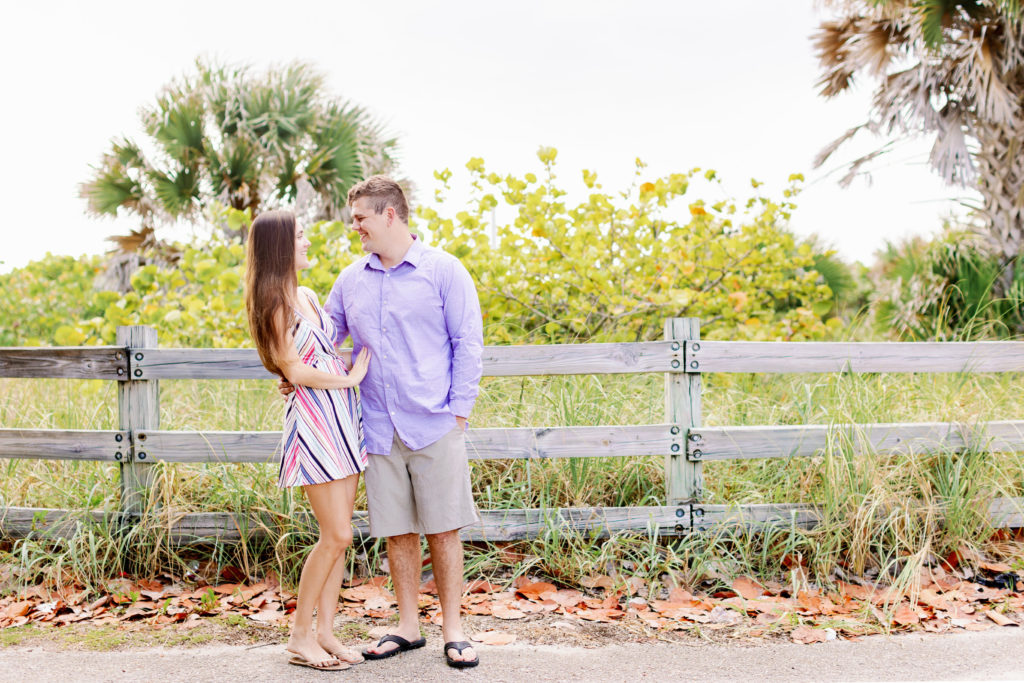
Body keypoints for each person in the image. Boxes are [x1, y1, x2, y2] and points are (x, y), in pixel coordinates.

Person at [280, 175, 484, 668]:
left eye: (361, 219)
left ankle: (454, 630)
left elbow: (468, 344)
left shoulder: (444, 271)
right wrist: (292, 373)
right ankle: (408, 626)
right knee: (398, 533)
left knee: (445, 529)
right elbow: (320, 336)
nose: (356, 229)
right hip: (375, 426)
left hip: (434, 422)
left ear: (389, 214)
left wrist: (457, 412)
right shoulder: (351, 280)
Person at [245, 210, 372, 671]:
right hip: (314, 424)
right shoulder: (273, 301)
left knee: (341, 538)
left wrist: (342, 381)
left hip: (340, 421)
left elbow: (311, 358)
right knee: (335, 533)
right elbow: (294, 370)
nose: (307, 241)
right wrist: (349, 378)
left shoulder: (309, 296)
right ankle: (300, 636)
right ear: (281, 246)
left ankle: (326, 632)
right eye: (299, 236)